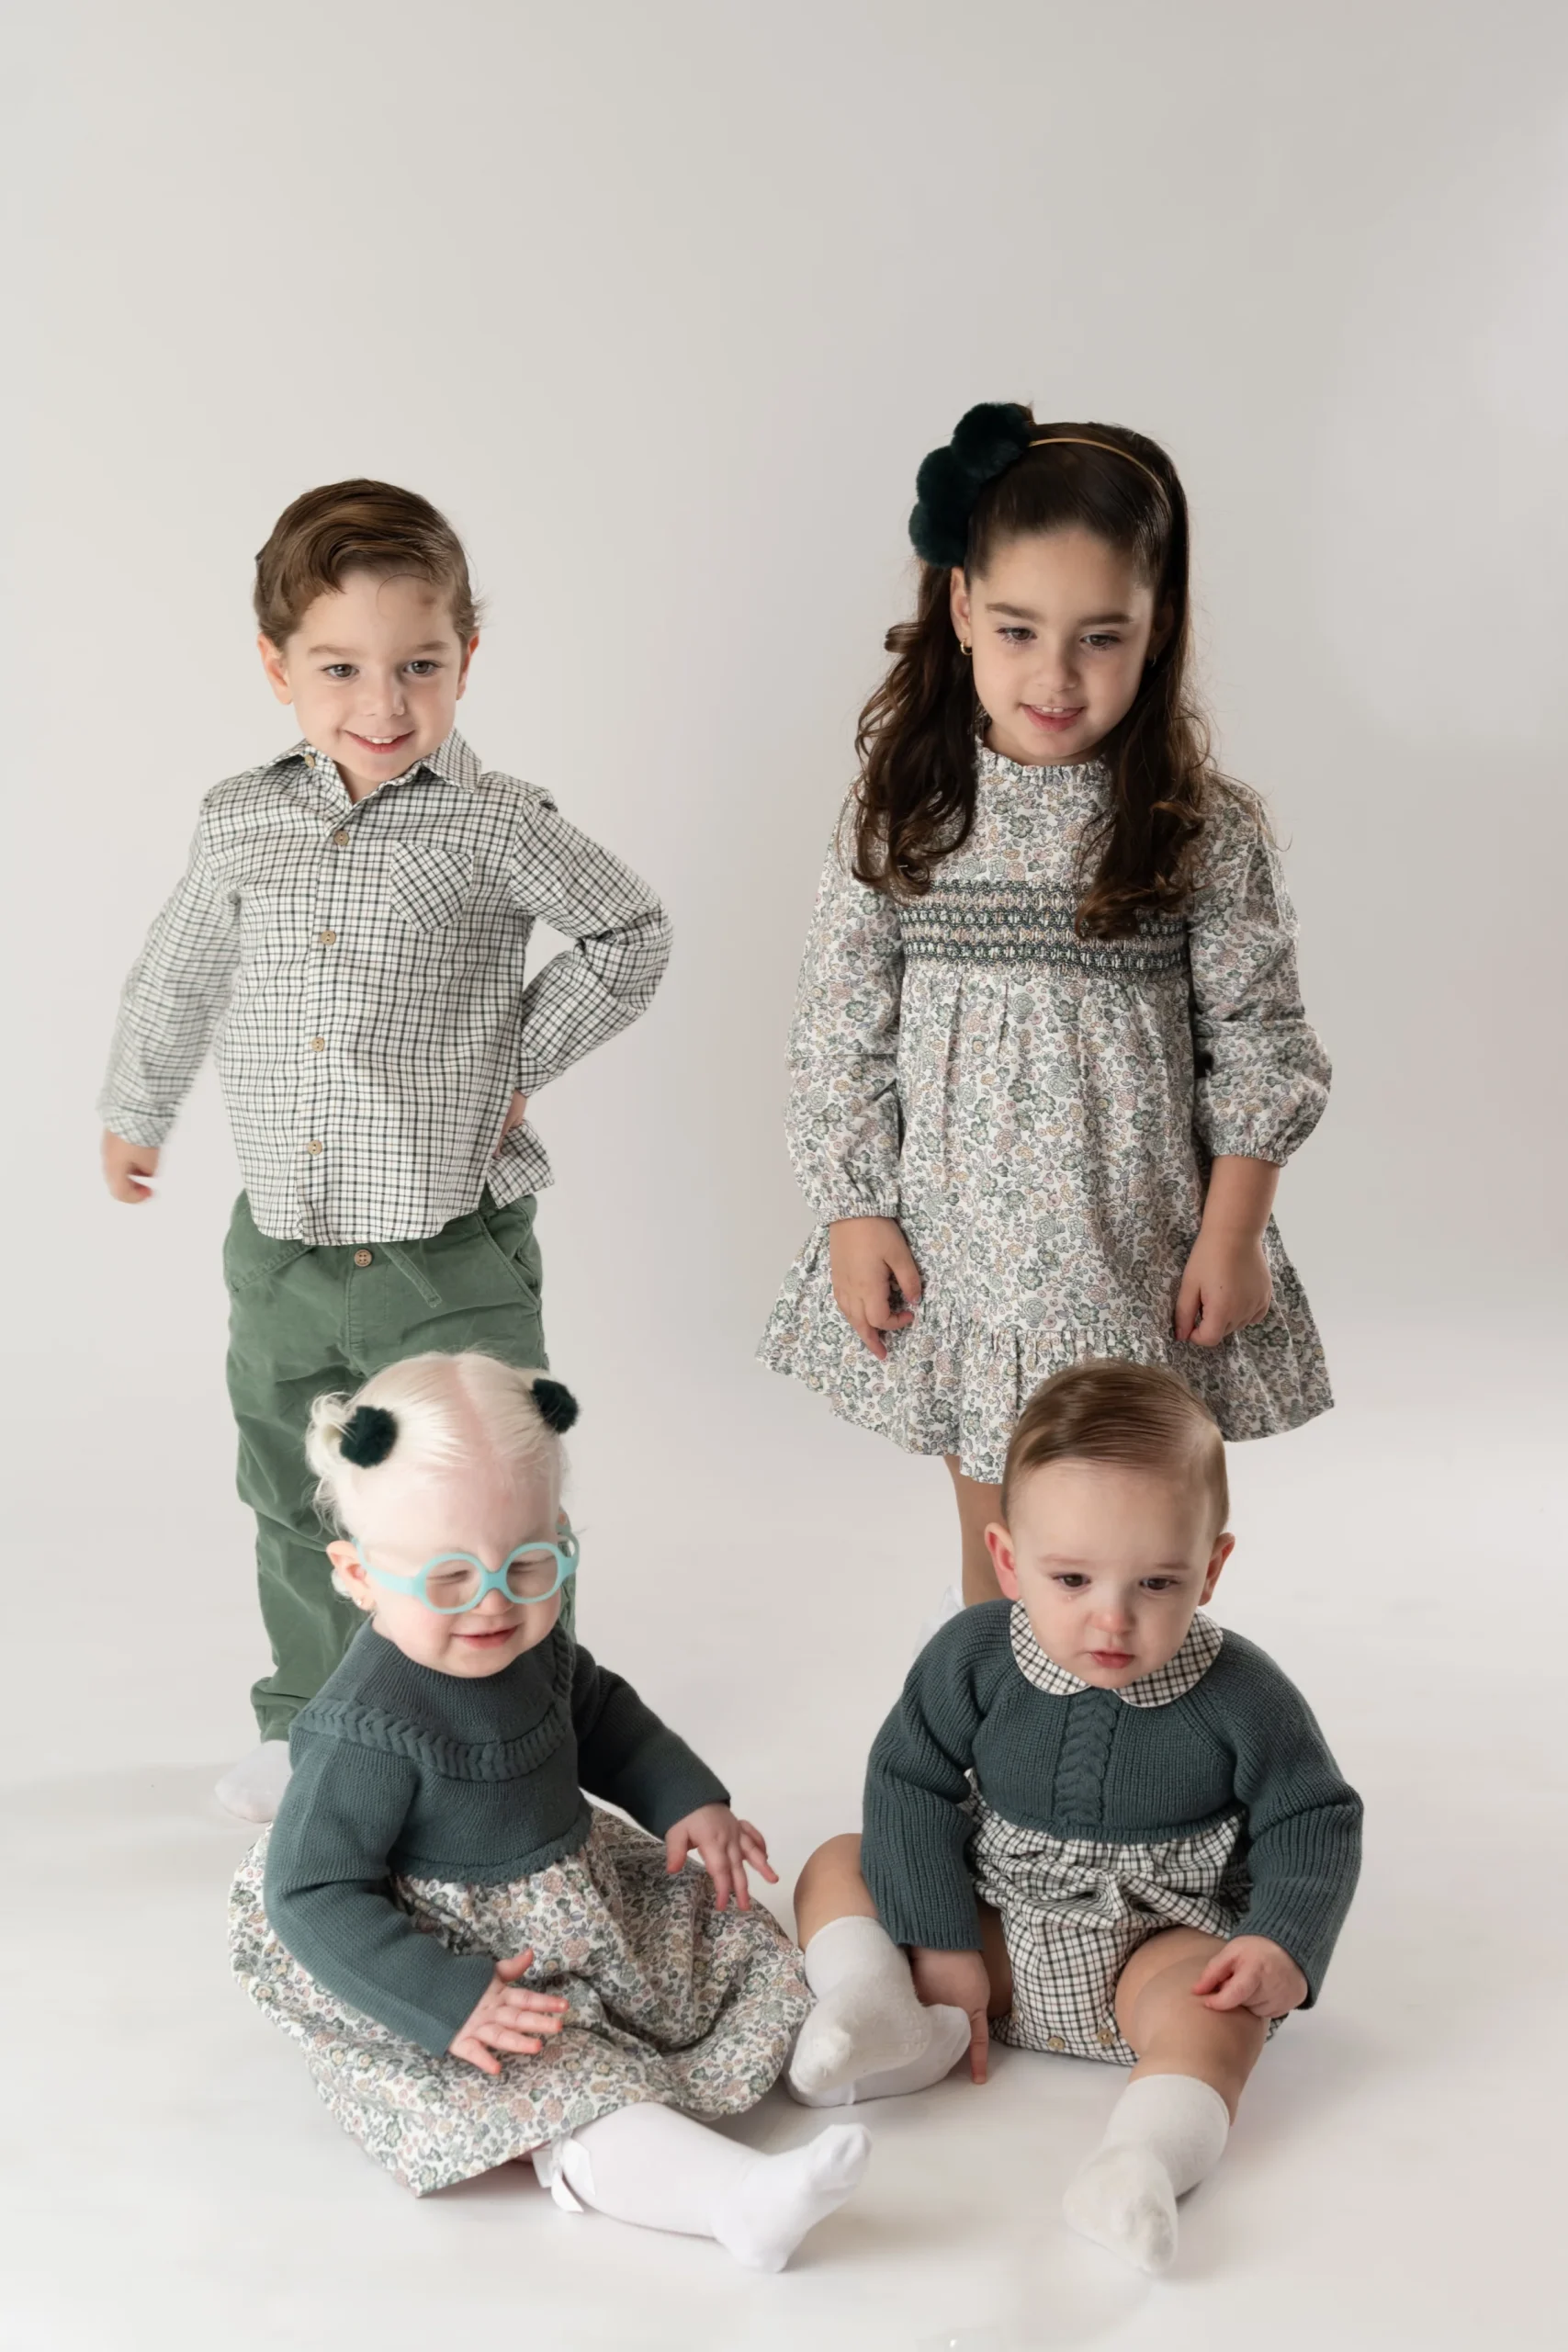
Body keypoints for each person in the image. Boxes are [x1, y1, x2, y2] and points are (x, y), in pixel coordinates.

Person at [97, 480, 671, 1819]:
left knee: (491, 1493)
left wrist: (514, 1063)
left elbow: (630, 932)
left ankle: (520, 1727)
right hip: (285, 1247)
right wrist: (138, 1107)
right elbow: (178, 970)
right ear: (278, 668)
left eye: (419, 664)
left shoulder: (497, 822)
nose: (384, 702)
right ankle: (314, 1721)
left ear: (466, 655)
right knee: (296, 1489)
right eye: (341, 668)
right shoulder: (240, 819)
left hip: (447, 1245)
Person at [760, 404, 1331, 1604]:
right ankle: (991, 1724)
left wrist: (1231, 1234)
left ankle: (1141, 1725)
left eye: (1099, 637)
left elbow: (1260, 1048)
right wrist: (855, 1210)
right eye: (1018, 629)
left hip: (1138, 1260)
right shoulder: (908, 814)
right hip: (966, 1259)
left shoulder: (1197, 828)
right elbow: (839, 1030)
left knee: (1133, 1541)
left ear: (1156, 628)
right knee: (1007, 1549)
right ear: (962, 607)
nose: (1055, 677)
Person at [230, 1351, 870, 2268]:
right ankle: (729, 2198)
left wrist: (686, 1796)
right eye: (449, 1579)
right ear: (358, 1573)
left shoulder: (534, 1647)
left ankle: (845, 2046)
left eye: (529, 1564)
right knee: (556, 2078)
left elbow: (602, 1716)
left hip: (576, 1897)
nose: (493, 1604)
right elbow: (310, 1892)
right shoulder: (364, 1730)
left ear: (560, 1536)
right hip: (465, 1960)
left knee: (735, 1937)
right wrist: (448, 2000)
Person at [785, 1360, 1360, 2277]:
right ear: (1008, 1559)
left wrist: (1283, 1943)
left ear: (1212, 1567)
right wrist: (939, 1938)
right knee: (838, 1861)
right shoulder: (972, 1656)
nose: (1112, 1619)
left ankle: (1140, 2161)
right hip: (994, 1927)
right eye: (1073, 1578)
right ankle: (882, 2008)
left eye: (1157, 1583)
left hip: (1155, 1942)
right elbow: (909, 1779)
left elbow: (1314, 1817)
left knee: (1221, 2009)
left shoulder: (1243, 1694)